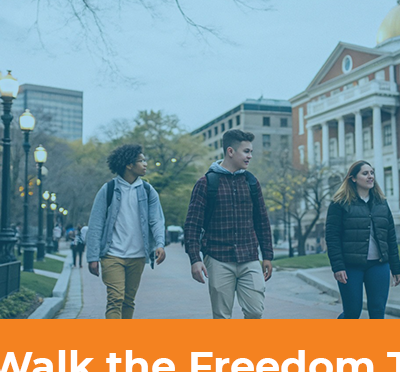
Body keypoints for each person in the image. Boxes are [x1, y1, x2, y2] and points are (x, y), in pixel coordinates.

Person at [184, 129, 273, 319]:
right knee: (222, 316)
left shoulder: (251, 182)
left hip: (249, 256)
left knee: (255, 310)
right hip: (218, 258)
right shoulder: (207, 183)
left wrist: (267, 255)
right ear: (231, 151)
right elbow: (192, 225)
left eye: (251, 152)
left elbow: (262, 221)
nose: (250, 156)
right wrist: (195, 259)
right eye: (246, 151)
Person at [86, 144, 166, 319]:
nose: (145, 164)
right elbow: (96, 224)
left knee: (129, 300)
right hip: (112, 254)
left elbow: (157, 220)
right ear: (129, 165)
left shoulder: (147, 190)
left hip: (137, 256)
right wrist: (92, 257)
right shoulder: (108, 190)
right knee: (115, 298)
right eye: (141, 160)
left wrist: (160, 244)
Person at [325, 160, 400, 319]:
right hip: (350, 267)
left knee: (377, 312)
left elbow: (390, 237)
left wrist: (396, 268)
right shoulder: (340, 204)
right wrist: (338, 266)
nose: (370, 177)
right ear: (353, 178)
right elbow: (332, 237)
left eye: (372, 173)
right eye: (365, 173)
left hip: (379, 265)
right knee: (352, 313)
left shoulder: (381, 203)